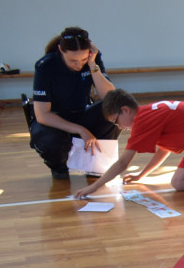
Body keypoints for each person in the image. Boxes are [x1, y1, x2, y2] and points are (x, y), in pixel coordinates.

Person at [29, 27, 119, 180]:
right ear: (60, 50)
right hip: (54, 120)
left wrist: (91, 65)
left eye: (83, 60)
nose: (78, 65)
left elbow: (109, 97)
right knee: (49, 140)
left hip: (81, 113)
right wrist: (81, 130)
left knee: (114, 109)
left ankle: (95, 166)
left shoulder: (93, 60)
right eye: (73, 61)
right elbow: (43, 115)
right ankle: (59, 167)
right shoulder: (46, 66)